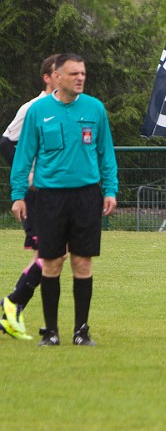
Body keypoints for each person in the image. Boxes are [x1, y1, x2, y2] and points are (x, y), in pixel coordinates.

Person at [9, 53, 118, 346]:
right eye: (73, 74)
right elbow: (24, 156)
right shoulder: (38, 111)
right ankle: (50, 331)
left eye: (83, 73)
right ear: (56, 77)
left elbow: (106, 154)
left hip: (86, 196)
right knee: (51, 263)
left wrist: (110, 190)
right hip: (49, 198)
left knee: (82, 262)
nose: (80, 78)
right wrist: (18, 195)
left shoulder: (95, 109)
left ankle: (81, 331)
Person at [0, 54, 62, 340]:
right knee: (51, 255)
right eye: (57, 73)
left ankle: (13, 306)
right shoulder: (33, 108)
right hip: (36, 194)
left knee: (55, 255)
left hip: (56, 192)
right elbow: (6, 141)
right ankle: (13, 303)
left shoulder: (64, 109)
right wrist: (26, 175)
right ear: (47, 78)